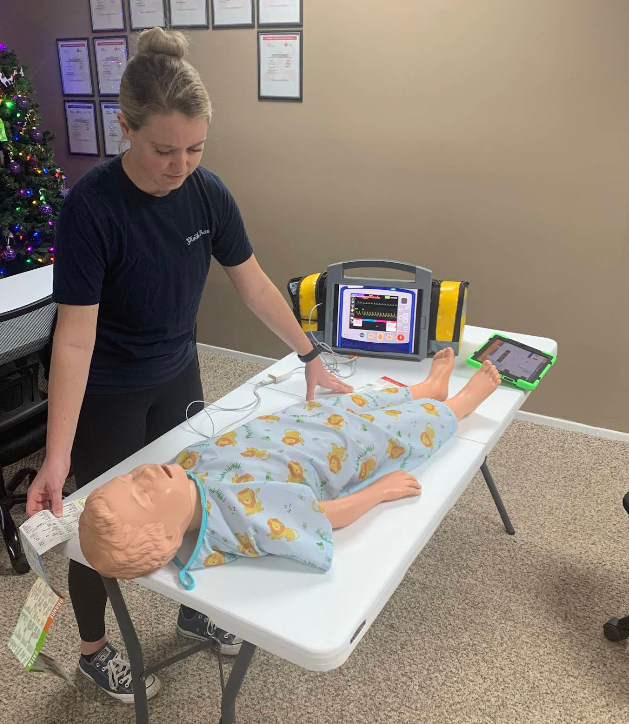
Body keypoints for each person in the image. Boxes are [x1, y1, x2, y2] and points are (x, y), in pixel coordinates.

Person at [25, 27, 351, 704]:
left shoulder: (207, 193)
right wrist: (56, 458)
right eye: (163, 149)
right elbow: (74, 340)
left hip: (177, 371)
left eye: (195, 148)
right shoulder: (91, 209)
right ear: (125, 127)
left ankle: (191, 605)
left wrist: (309, 356)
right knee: (97, 523)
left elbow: (253, 283)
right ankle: (93, 649)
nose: (180, 166)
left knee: (193, 496)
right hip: (109, 389)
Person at [78, 349, 502, 582]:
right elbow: (320, 517)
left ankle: (426, 388)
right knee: (395, 431)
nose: (146, 473)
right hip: (338, 452)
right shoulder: (238, 514)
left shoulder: (180, 471)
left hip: (304, 425)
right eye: (144, 492)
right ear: (169, 533)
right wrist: (378, 492)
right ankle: (459, 406)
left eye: (132, 475)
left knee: (362, 401)